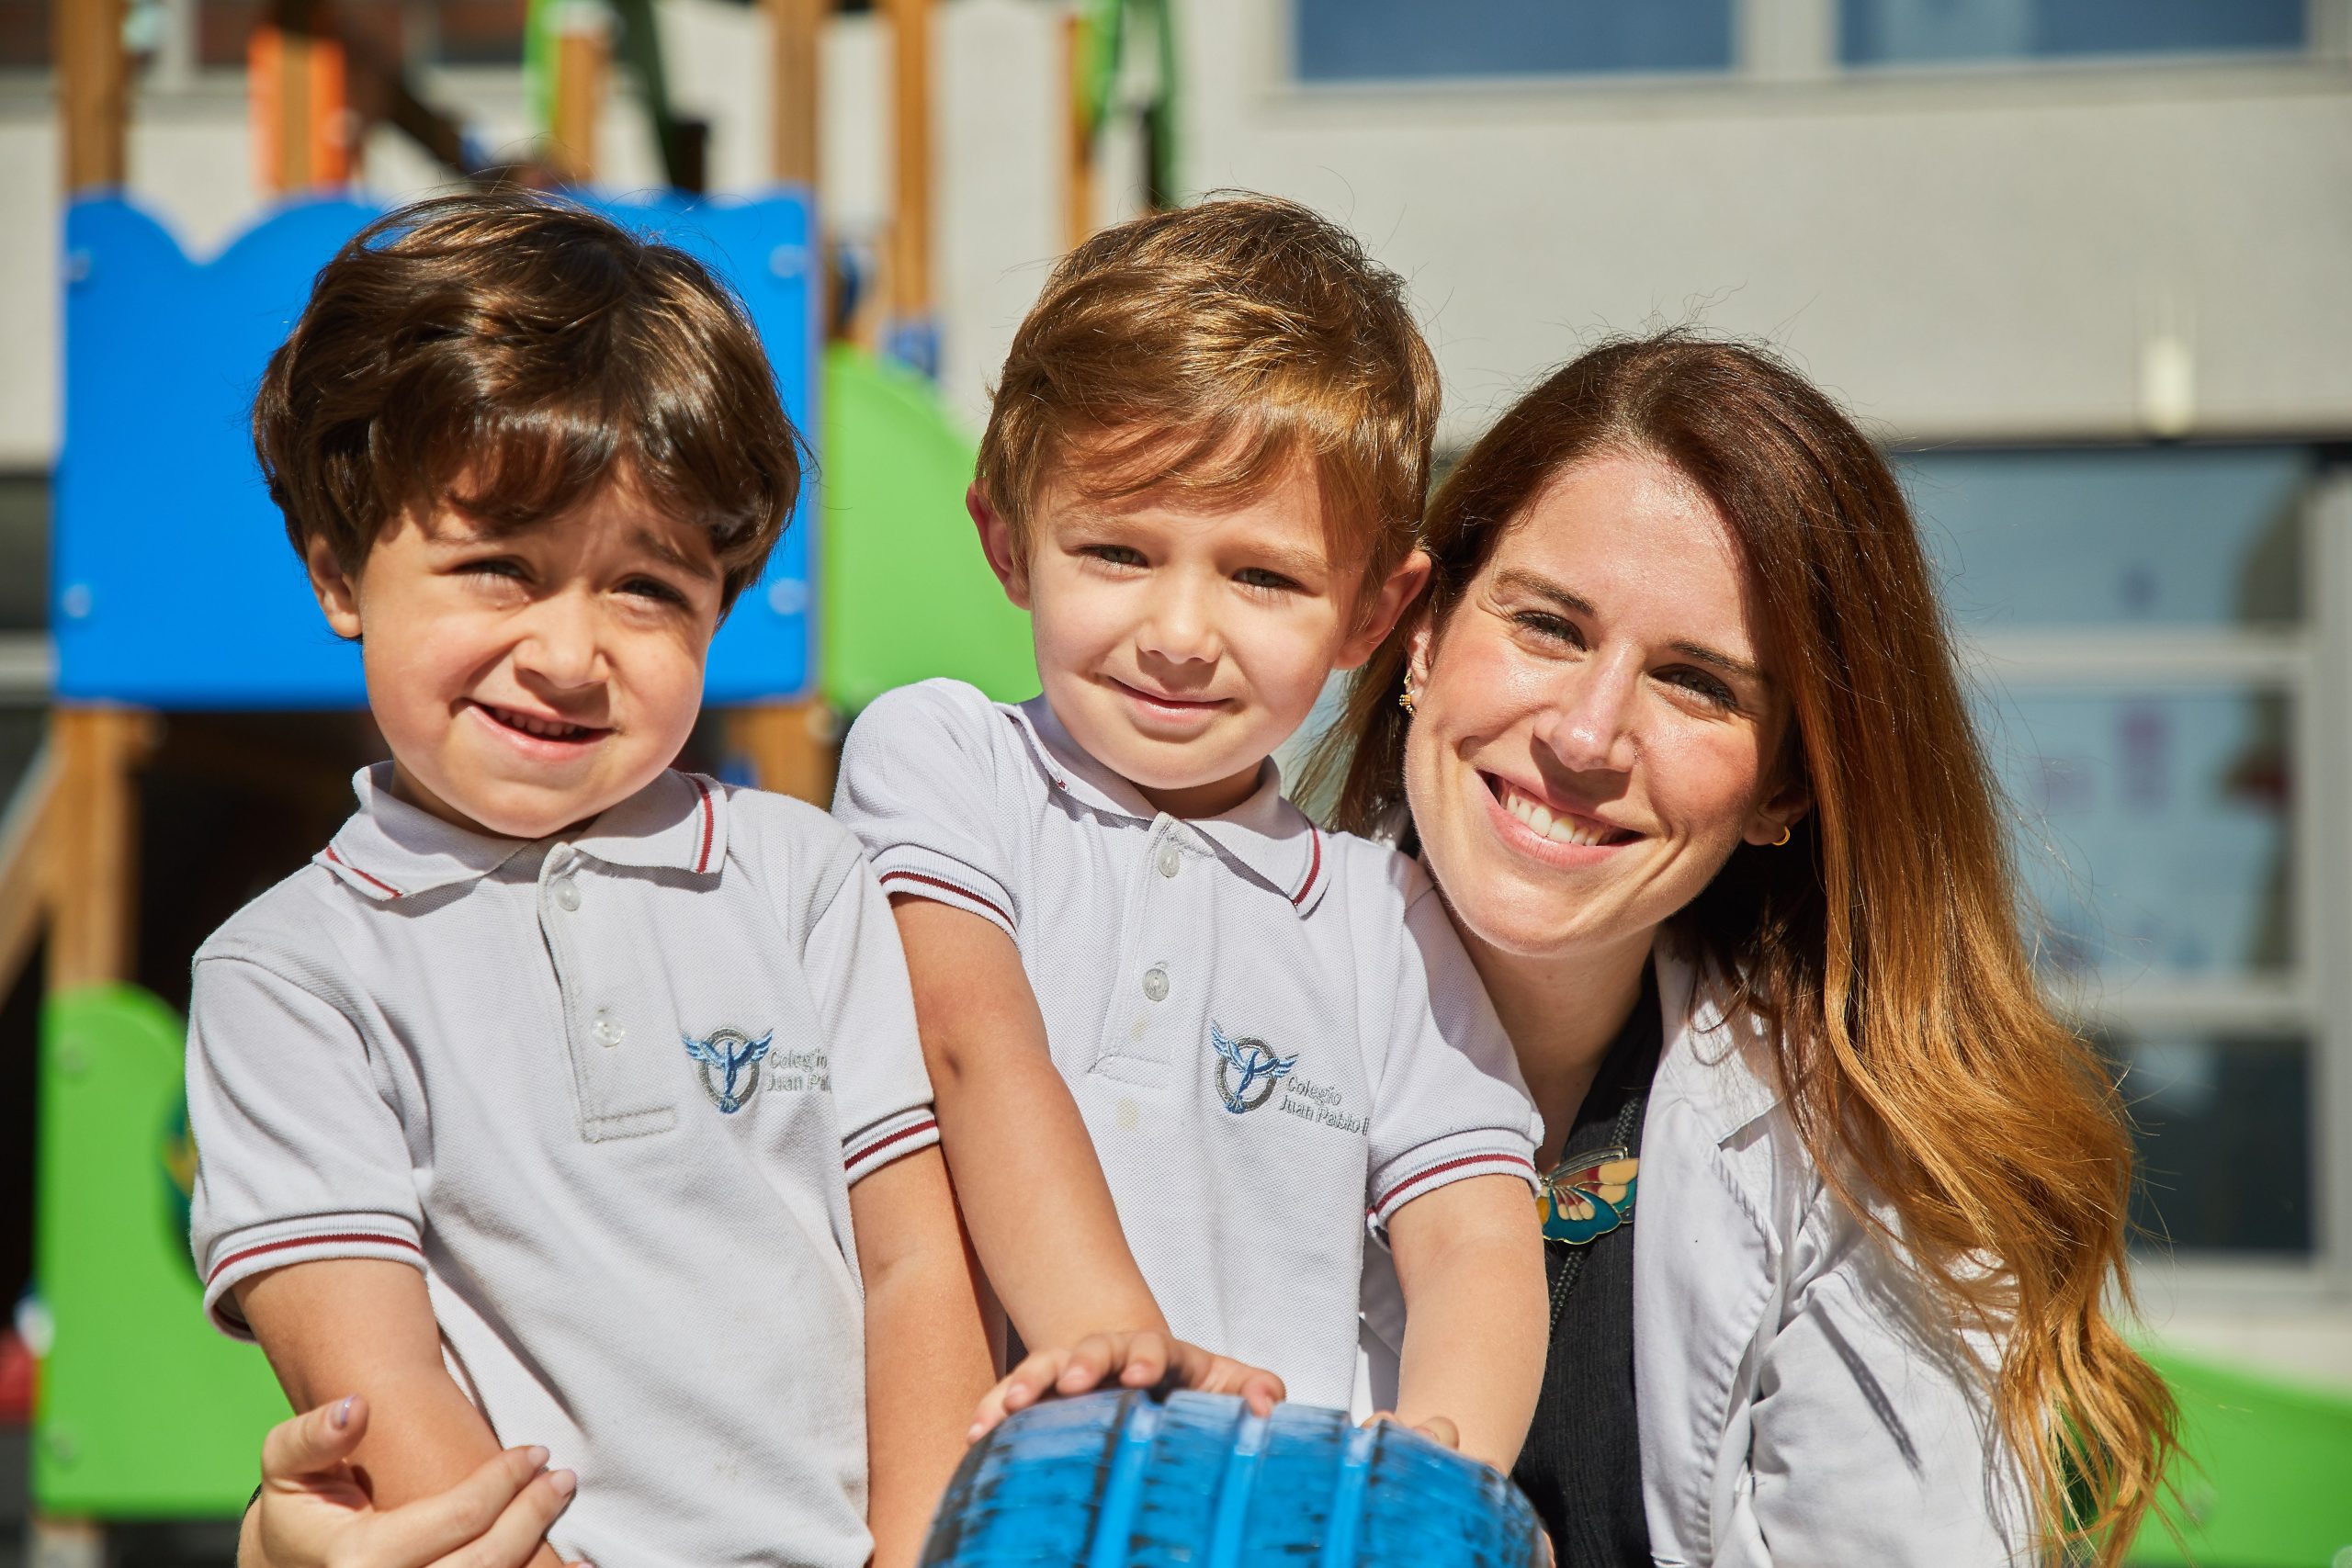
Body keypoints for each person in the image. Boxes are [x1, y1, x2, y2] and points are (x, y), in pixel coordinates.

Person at [186, 191, 997, 1568]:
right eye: (500, 568)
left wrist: (920, 1551)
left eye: (648, 590)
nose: (571, 654)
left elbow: (921, 1264)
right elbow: (374, 1385)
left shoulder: (801, 876)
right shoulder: (290, 974)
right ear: (339, 570)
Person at [1322, 333, 2177, 1564]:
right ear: (1421, 633)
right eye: (1550, 625)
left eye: (1697, 684)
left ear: (1786, 786)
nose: (1588, 733)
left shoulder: (1862, 1165)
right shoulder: (1142, 979)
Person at [830, 195, 1550, 1468]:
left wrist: (1437, 1476)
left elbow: (1474, 1232)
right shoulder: (945, 756)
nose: (1178, 631)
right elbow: (970, 1039)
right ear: (1007, 540)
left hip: (1272, 1510)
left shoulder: (1388, 916)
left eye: (1262, 576)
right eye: (1116, 550)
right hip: (1003, 1494)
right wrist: (1118, 1348)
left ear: (1373, 613)